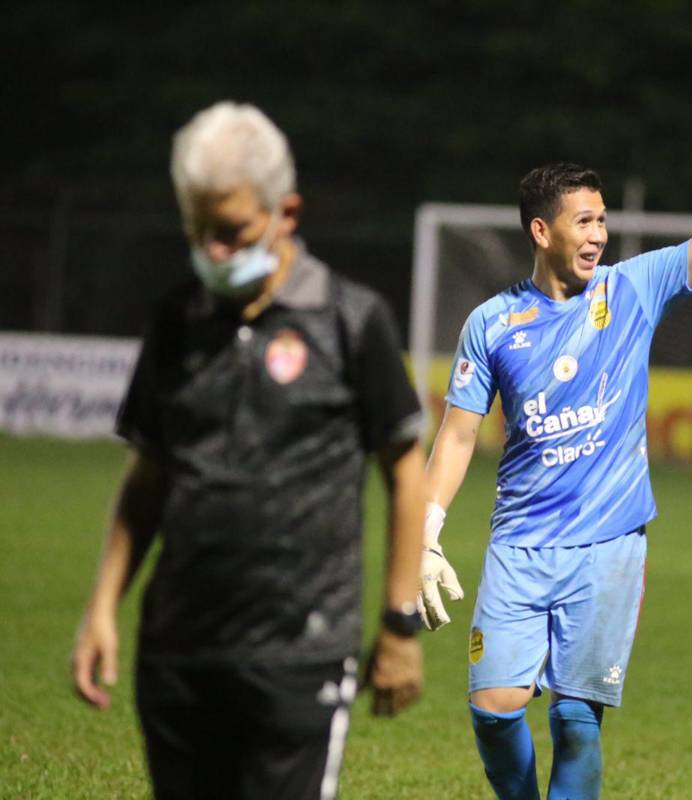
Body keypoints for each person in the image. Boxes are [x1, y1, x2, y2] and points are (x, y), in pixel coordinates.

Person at [418, 81, 692, 798]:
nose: (598, 235)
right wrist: (427, 533)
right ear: (541, 231)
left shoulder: (629, 291)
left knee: (575, 721)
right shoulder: (492, 324)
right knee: (494, 711)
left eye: (602, 221)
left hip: (609, 544)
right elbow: (459, 437)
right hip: (519, 545)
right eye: (584, 221)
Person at [70, 101, 428, 800]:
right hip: (178, 653)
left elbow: (405, 473)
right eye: (199, 232)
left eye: (231, 232)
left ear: (285, 212)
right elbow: (148, 474)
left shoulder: (351, 321)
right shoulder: (177, 322)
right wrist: (102, 606)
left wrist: (399, 625)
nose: (215, 252)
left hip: (302, 654)